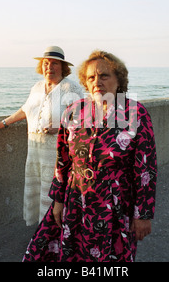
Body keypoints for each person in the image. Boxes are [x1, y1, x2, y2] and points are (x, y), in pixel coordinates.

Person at [23, 50, 158, 262]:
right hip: (75, 199)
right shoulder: (74, 111)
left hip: (113, 205)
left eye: (104, 75)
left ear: (118, 79)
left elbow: (146, 169)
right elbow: (63, 162)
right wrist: (58, 201)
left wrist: (143, 215)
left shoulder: (134, 112)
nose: (97, 82)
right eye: (91, 77)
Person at [0, 46, 83, 226]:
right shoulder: (37, 87)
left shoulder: (71, 87)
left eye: (54, 63)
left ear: (62, 67)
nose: (49, 67)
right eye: (46, 63)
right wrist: (3, 123)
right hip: (35, 151)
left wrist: (61, 126)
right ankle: (42, 232)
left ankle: (56, 235)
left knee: (54, 193)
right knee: (38, 191)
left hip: (56, 153)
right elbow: (25, 109)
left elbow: (81, 118)